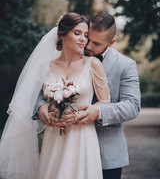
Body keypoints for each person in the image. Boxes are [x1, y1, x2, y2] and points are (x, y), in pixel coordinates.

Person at [0, 13, 110, 179]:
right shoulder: (45, 67)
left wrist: (89, 112)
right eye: (77, 33)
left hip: (82, 137)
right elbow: (34, 98)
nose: (83, 39)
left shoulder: (92, 64)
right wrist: (43, 108)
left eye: (86, 35)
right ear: (62, 34)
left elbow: (105, 102)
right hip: (53, 138)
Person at [36, 13, 141, 179]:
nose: (87, 44)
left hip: (108, 152)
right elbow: (42, 90)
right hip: (61, 145)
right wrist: (41, 107)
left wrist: (98, 111)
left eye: (96, 43)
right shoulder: (68, 53)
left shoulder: (126, 65)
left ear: (111, 43)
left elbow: (133, 106)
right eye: (87, 37)